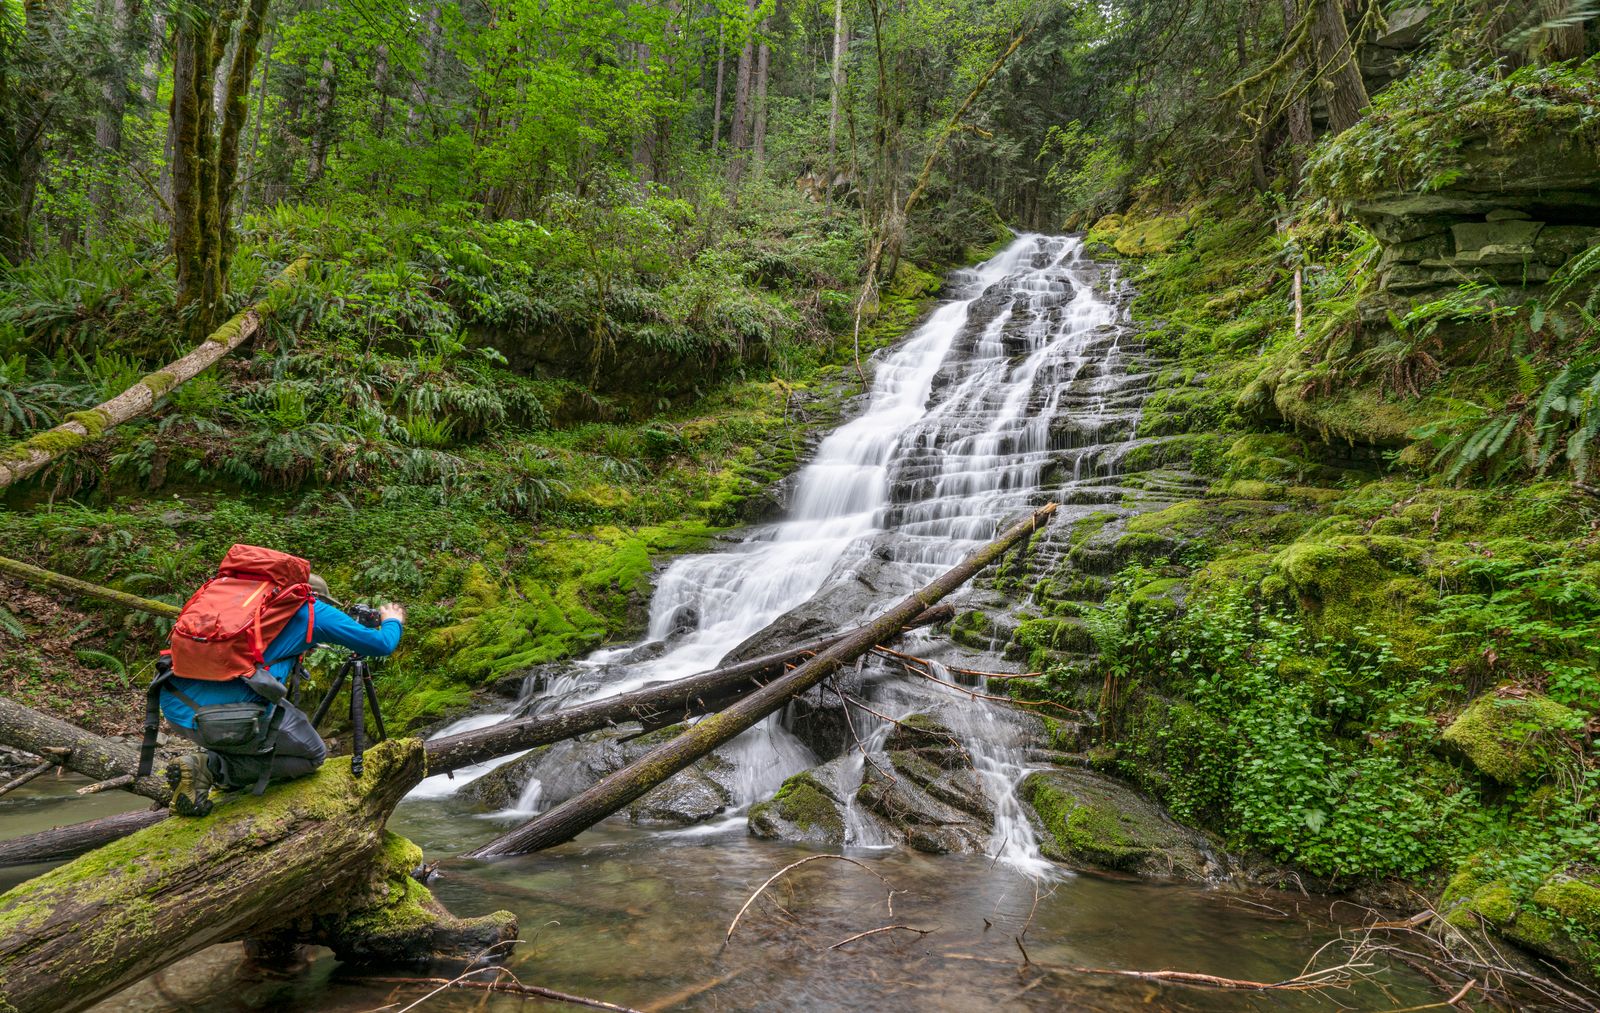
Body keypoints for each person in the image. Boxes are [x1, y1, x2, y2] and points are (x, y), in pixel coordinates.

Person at [163, 574, 405, 816]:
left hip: (177, 708)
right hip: (231, 719)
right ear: (313, 595)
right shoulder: (311, 610)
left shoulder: (239, 603)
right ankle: (211, 768)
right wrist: (393, 620)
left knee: (272, 722)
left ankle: (216, 767)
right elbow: (382, 644)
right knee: (313, 754)